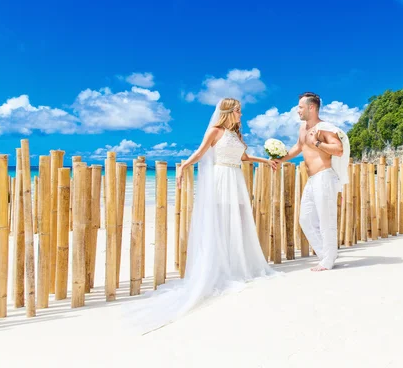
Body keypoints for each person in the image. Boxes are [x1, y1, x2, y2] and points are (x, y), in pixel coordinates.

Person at [124, 97, 281, 334]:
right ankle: (220, 266)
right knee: (220, 221)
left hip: (235, 178)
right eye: (238, 111)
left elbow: (244, 158)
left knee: (236, 221)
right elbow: (200, 152)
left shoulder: (237, 134)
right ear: (228, 112)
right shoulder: (215, 131)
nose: (241, 115)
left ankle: (236, 263)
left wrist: (266, 161)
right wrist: (184, 167)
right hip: (220, 179)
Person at [275, 92, 350, 271]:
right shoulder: (303, 128)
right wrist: (281, 159)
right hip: (312, 179)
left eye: (300, 107)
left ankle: (328, 260)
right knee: (305, 219)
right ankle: (326, 255)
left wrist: (317, 143)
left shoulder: (324, 128)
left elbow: (338, 149)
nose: (297, 110)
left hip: (325, 176)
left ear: (311, 107)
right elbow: (299, 146)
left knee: (326, 219)